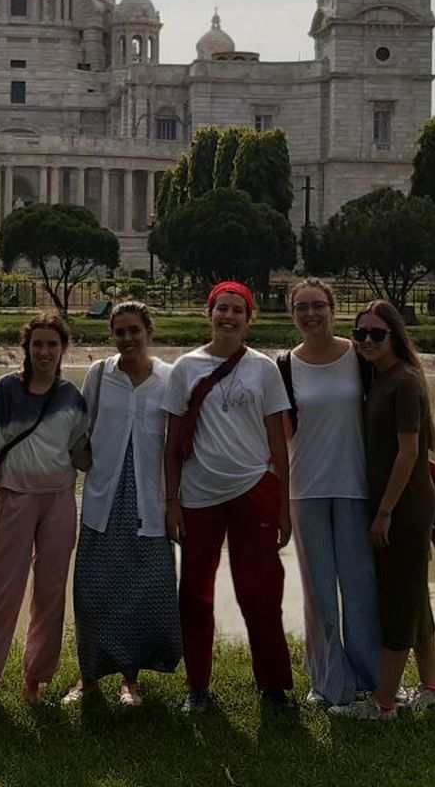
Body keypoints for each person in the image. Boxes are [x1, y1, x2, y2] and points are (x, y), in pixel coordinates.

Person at [0, 313, 89, 723]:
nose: (44, 352)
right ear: (27, 348)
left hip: (60, 501)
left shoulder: (71, 396)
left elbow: (82, 452)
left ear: (63, 349)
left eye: (52, 345)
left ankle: (35, 681)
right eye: (37, 345)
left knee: (50, 595)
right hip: (13, 500)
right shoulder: (7, 389)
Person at [164, 280, 294, 714]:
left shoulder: (264, 369)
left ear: (248, 318)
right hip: (199, 495)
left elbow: (279, 442)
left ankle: (273, 686)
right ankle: (198, 687)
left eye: (238, 310)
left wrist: (283, 505)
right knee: (195, 595)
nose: (229, 317)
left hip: (253, 490)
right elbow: (171, 445)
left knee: (260, 593)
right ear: (210, 313)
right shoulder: (185, 367)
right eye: (222, 309)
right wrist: (171, 501)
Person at [332, 299, 435, 720]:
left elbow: (408, 452)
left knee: (398, 601)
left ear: (395, 335)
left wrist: (384, 512)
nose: (366, 341)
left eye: (377, 334)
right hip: (399, 505)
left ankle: (383, 702)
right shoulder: (379, 378)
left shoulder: (405, 383)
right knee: (416, 595)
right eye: (360, 334)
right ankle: (431, 686)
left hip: (402, 508)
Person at [65, 301, 182, 708]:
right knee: (93, 591)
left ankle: (130, 679)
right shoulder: (99, 374)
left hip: (150, 499)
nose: (128, 338)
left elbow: (177, 443)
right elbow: (78, 431)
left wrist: (175, 502)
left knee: (142, 590)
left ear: (149, 331)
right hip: (104, 495)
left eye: (135, 330)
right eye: (120, 332)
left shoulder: (170, 378)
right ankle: (88, 677)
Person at [282, 278, 380, 707]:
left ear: (333, 308)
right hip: (306, 488)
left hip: (356, 485)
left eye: (318, 305)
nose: (310, 314)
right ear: (292, 314)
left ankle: (367, 678)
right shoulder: (283, 365)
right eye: (301, 307)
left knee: (360, 588)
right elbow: (279, 435)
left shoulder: (359, 356)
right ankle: (327, 682)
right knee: (319, 593)